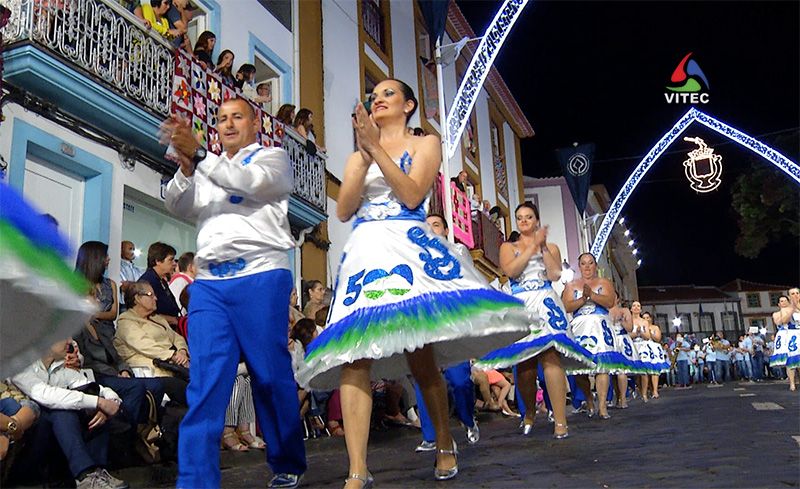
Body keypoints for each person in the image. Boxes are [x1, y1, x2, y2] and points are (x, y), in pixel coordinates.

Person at [295, 79, 530, 488]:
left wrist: (377, 150)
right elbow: (345, 209)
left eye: (388, 94)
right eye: (374, 96)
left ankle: (444, 442)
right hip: (366, 252)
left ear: (408, 105)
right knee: (354, 356)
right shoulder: (358, 156)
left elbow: (411, 194)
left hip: (408, 246)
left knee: (422, 356)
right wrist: (364, 155)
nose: (378, 100)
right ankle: (356, 468)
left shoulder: (426, 144)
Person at [163, 96, 306, 488]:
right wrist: (186, 169)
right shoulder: (207, 166)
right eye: (222, 118)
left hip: (260, 274)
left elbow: (248, 183)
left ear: (254, 123)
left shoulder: (272, 158)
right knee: (206, 381)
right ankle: (195, 480)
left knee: (269, 375)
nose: (227, 124)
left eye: (237, 117)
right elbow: (178, 205)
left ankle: (286, 460)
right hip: (210, 284)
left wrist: (201, 156)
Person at [475, 202, 595, 438]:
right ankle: (529, 412)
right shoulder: (508, 247)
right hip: (522, 303)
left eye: (528, 217)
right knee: (525, 367)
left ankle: (560, 420)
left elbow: (554, 275)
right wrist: (530, 248)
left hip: (546, 302)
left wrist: (543, 248)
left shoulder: (551, 247)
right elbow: (511, 271)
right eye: (520, 217)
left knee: (551, 356)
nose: (524, 221)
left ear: (536, 220)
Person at [72, 242, 166, 427]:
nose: (108, 259)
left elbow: (114, 352)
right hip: (97, 373)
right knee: (135, 388)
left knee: (156, 385)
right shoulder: (75, 327)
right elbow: (89, 361)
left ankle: (139, 429)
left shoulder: (102, 327)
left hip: (112, 364)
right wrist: (116, 372)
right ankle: (123, 430)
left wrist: (123, 370)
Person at [12, 340, 127, 489]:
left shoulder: (60, 368)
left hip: (58, 439)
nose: (70, 342)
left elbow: (97, 388)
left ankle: (96, 474)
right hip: (25, 439)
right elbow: (46, 395)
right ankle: (86, 475)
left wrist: (109, 403)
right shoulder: (20, 365)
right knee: (62, 410)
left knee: (92, 410)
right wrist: (98, 402)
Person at [412, 214, 479, 452]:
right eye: (427, 226)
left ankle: (468, 418)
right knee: (423, 377)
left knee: (460, 381)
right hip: (425, 322)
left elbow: (469, 282)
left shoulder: (458, 251)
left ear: (446, 230)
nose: (431, 229)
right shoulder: (414, 254)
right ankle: (431, 436)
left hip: (452, 322)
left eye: (436, 225)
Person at [561, 252, 619, 419]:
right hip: (580, 327)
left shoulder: (604, 282)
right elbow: (566, 306)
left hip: (599, 326)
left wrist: (592, 295)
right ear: (579, 266)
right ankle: (589, 399)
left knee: (602, 366)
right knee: (579, 368)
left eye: (590, 263)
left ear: (595, 265)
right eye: (583, 263)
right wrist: (583, 299)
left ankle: (602, 406)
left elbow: (610, 302)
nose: (587, 266)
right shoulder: (572, 285)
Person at [114, 282, 189, 406]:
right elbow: (145, 345)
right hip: (152, 371)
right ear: (137, 298)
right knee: (188, 390)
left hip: (174, 366)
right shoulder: (126, 323)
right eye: (150, 295)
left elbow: (176, 337)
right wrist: (172, 355)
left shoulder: (157, 319)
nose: (156, 298)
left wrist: (182, 351)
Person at [139, 242, 181, 327]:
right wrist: (174, 320)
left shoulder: (161, 280)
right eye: (171, 260)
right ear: (158, 261)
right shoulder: (147, 282)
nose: (174, 263)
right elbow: (146, 314)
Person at [771, 292, 800, 391]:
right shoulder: (776, 314)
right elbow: (782, 321)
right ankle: (792, 383)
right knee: (790, 362)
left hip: (796, 335)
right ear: (778, 304)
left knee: (798, 360)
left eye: (785, 301)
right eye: (781, 301)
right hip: (785, 337)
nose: (783, 303)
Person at [119, 241, 144, 310]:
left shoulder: (135, 269)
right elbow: (124, 286)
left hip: (137, 304)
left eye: (134, 249)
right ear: (121, 250)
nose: (133, 252)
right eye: (130, 249)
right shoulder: (119, 267)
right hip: (124, 305)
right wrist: (139, 286)